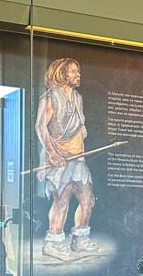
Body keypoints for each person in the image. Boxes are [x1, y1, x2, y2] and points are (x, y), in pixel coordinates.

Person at [36, 57, 97, 262]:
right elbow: (40, 126)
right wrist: (52, 153)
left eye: (77, 71)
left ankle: (79, 239)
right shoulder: (51, 97)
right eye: (73, 71)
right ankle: (52, 243)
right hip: (59, 156)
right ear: (61, 73)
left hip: (77, 157)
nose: (78, 75)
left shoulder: (78, 98)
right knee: (61, 199)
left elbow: (79, 125)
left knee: (87, 200)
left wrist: (82, 132)